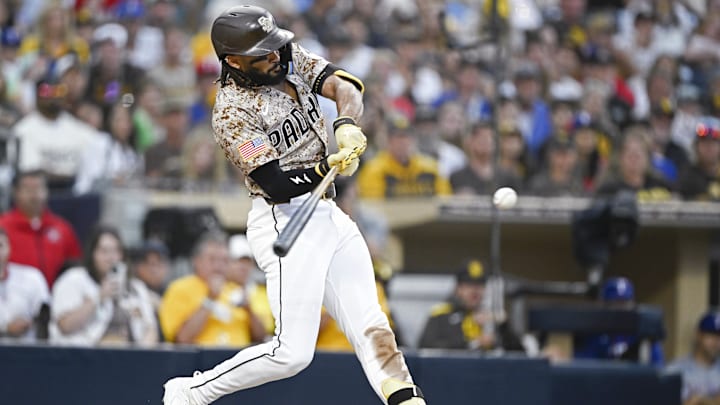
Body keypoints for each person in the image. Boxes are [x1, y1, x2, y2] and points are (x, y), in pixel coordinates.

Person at [162, 6, 426, 405]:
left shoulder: (286, 56)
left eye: (273, 47)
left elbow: (345, 86)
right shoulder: (232, 111)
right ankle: (190, 392)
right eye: (261, 53)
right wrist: (324, 165)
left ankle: (406, 400)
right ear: (233, 61)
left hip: (327, 212)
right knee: (291, 354)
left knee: (372, 324)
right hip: (284, 219)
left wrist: (346, 124)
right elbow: (275, 183)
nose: (274, 56)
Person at [49, 225, 158, 346]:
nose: (111, 258)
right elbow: (65, 326)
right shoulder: (73, 280)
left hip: (128, 357)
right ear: (92, 254)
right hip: (83, 356)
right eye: (104, 251)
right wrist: (98, 297)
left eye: (116, 251)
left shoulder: (135, 287)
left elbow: (150, 328)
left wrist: (141, 355)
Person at [158, 231, 267, 347]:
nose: (218, 266)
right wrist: (210, 300)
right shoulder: (179, 288)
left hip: (237, 359)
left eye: (224, 260)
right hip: (200, 360)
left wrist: (249, 310)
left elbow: (261, 337)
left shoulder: (235, 289)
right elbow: (181, 339)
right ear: (197, 261)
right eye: (212, 259)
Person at [419, 259, 523, 352]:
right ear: (458, 289)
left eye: (480, 285)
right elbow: (426, 346)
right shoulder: (441, 314)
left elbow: (520, 354)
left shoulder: (491, 317)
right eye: (469, 285)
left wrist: (504, 326)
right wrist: (474, 343)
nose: (475, 291)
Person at [0, 170, 82, 287]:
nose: (34, 195)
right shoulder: (3, 226)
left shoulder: (62, 228)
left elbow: (75, 267)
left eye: (39, 189)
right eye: (28, 190)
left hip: (55, 297)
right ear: (16, 193)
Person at [574, 277, 664, 366]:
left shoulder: (642, 335)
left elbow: (657, 369)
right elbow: (585, 369)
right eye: (615, 303)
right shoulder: (592, 335)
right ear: (604, 306)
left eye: (625, 303)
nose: (622, 309)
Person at [0, 226, 50, 342]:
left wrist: (30, 323)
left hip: (28, 351)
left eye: (0, 246)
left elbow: (45, 317)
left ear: (9, 248)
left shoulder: (32, 277)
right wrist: (5, 329)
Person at [666, 311, 720, 405]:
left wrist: (702, 400)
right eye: (712, 335)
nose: (716, 342)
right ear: (698, 335)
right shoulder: (675, 369)